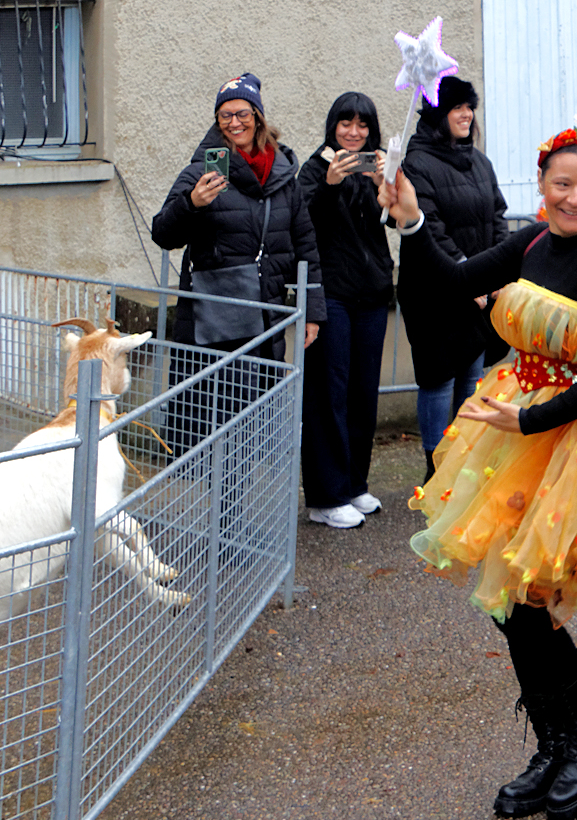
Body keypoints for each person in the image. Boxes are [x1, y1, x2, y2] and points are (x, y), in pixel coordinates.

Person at [379, 122, 577, 820]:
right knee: (508, 601)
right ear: (543, 184)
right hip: (514, 427)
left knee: (529, 599)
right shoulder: (528, 243)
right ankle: (560, 738)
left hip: (576, 438)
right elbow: (453, 281)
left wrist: (530, 421)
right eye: (562, 184)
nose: (575, 198)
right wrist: (412, 221)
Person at [151, 73, 325, 450]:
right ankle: (211, 488)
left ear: (258, 117)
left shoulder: (284, 175)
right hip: (215, 321)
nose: (235, 123)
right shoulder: (200, 172)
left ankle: (239, 486)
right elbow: (163, 233)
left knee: (252, 428)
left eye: (243, 113)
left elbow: (305, 245)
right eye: (225, 115)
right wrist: (192, 204)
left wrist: (312, 310)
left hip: (267, 316)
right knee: (211, 424)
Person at [397, 76, 510, 482]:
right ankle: (436, 469)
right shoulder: (417, 163)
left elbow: (497, 216)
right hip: (435, 293)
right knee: (438, 380)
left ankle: (464, 464)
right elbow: (429, 228)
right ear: (437, 114)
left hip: (478, 293)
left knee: (471, 377)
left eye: (469, 107)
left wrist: (499, 270)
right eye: (457, 107)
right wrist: (470, 278)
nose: (466, 115)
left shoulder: (479, 162)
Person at [297, 91, 391, 529]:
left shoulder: (378, 169)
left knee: (363, 394)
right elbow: (303, 224)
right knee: (328, 395)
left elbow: (398, 221)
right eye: (346, 123)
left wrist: (386, 187)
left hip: (371, 294)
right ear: (333, 126)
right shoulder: (315, 168)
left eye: (362, 125)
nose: (354, 133)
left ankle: (354, 484)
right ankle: (325, 496)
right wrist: (330, 185)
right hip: (330, 295)